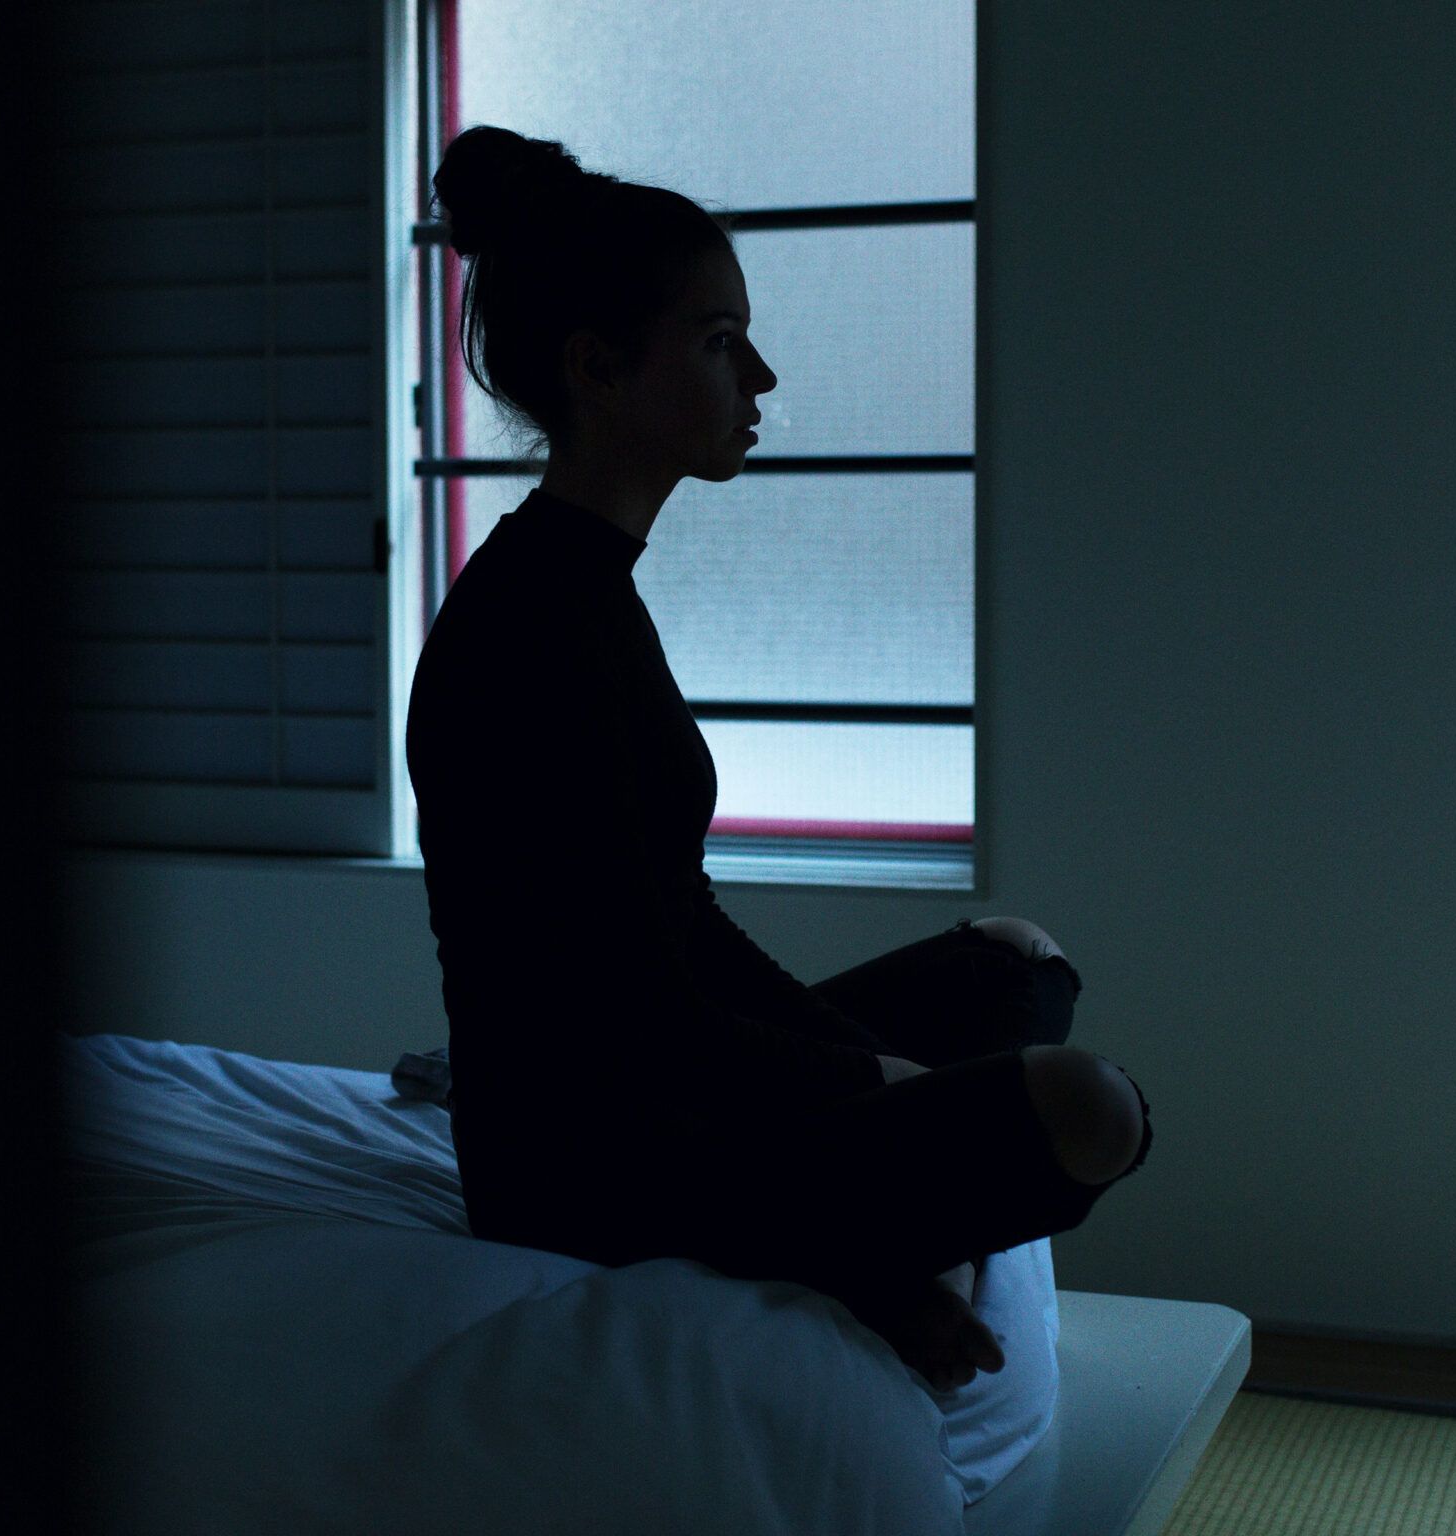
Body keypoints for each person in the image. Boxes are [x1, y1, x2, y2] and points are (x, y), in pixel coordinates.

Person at [405, 125, 1153, 1396]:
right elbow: (635, 1017)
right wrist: (874, 1078)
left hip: (667, 1085)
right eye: (714, 340)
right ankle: (864, 1261)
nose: (759, 374)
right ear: (598, 368)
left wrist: (863, 1066)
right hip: (591, 1162)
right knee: (1089, 1109)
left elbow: (685, 926)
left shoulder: (584, 587)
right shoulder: (529, 635)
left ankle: (868, 1247)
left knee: (1013, 961)